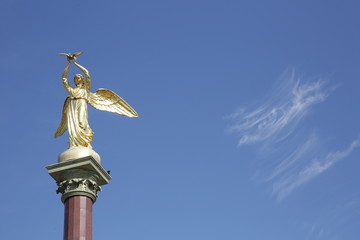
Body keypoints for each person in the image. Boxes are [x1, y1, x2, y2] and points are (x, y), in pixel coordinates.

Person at [55, 57, 94, 148]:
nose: (77, 78)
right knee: (74, 124)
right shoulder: (71, 90)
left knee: (81, 122)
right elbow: (64, 78)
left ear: (82, 79)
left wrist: (76, 64)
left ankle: (85, 141)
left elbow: (87, 74)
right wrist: (68, 65)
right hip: (72, 105)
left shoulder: (85, 89)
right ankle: (75, 143)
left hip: (82, 102)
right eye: (76, 78)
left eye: (79, 77)